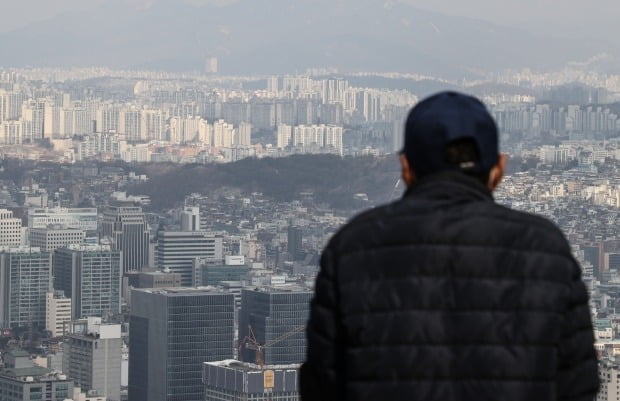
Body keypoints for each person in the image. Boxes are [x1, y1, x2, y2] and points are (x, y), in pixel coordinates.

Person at [300, 91, 599, 401]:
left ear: (406, 167)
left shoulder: (352, 248)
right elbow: (578, 385)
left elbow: (321, 384)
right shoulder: (546, 250)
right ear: (499, 168)